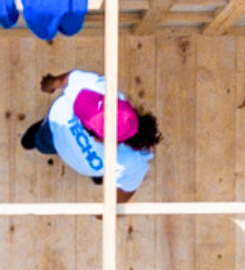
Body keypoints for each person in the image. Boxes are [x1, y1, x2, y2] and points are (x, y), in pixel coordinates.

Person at [21, 70, 160, 202]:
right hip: (52, 129)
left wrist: (108, 212)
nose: (78, 111)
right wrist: (51, 83)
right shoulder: (98, 88)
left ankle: (100, 175)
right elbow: (67, 79)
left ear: (99, 138)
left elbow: (125, 191)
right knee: (39, 141)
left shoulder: (132, 164)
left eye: (84, 122)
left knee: (105, 173)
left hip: (61, 140)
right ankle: (37, 139)